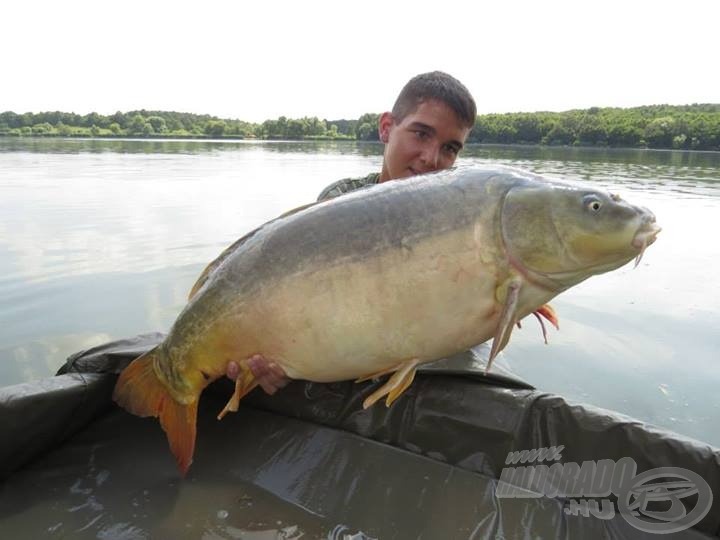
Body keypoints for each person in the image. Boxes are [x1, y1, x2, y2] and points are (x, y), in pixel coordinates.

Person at [227, 71, 477, 394]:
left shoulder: (461, 224)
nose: (431, 158)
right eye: (421, 134)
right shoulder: (339, 202)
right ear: (387, 128)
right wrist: (285, 361)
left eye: (450, 148)